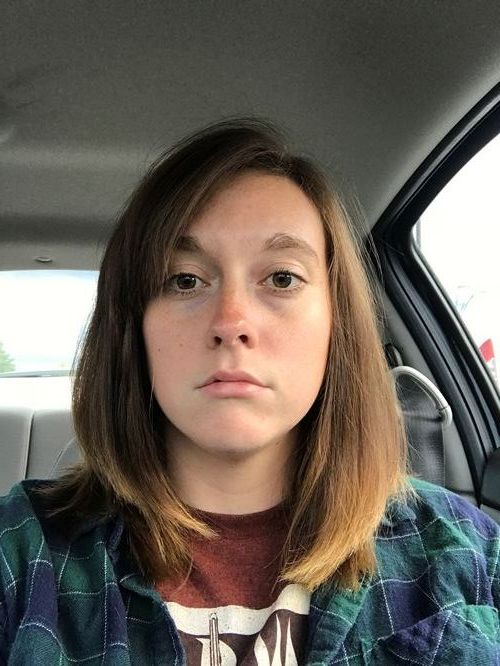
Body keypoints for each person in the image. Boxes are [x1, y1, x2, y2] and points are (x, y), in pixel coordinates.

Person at [0, 119, 498, 665]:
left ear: (337, 324)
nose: (231, 321)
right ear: (132, 328)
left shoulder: (464, 552)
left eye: (282, 278)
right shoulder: (21, 552)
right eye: (184, 279)